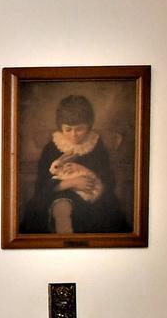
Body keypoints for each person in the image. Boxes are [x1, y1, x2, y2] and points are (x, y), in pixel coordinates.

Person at [19, 94, 130, 235]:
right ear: (61, 127)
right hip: (56, 195)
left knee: (105, 214)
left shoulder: (97, 146)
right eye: (68, 129)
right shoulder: (52, 147)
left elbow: (109, 180)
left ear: (89, 127)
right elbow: (41, 186)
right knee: (59, 208)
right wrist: (70, 183)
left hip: (92, 198)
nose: (74, 135)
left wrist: (92, 182)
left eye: (79, 129)